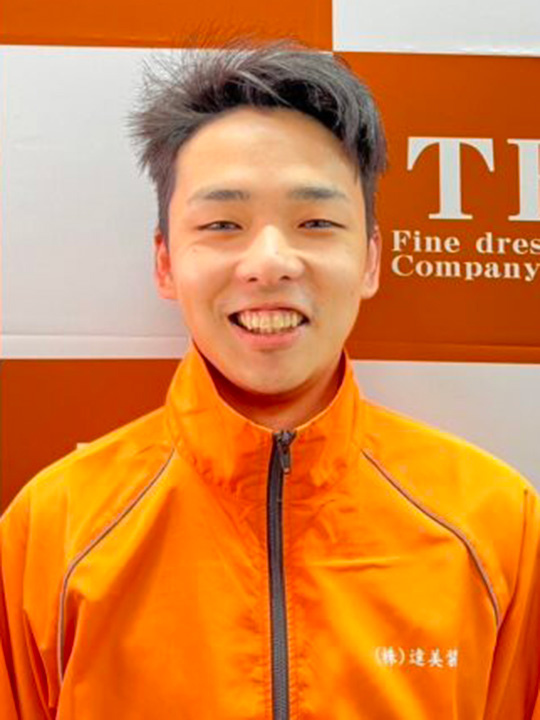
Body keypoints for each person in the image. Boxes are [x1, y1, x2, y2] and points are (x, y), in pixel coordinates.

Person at [1, 40, 539, 720]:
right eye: (223, 224)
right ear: (165, 262)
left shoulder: (496, 525)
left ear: (370, 260)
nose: (271, 261)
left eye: (315, 222)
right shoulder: (54, 529)